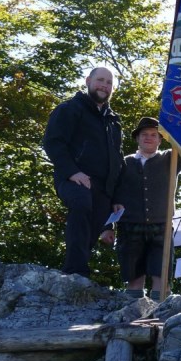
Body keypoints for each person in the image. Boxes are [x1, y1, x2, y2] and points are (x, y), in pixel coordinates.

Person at [43, 67, 124, 277]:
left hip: (103, 186)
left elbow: (117, 160)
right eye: (100, 80)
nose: (104, 85)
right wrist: (72, 172)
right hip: (74, 178)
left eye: (108, 82)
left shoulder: (113, 122)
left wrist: (115, 197)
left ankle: (79, 273)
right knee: (81, 204)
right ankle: (74, 272)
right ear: (88, 81)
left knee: (95, 225)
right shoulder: (70, 108)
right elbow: (53, 142)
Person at [110, 117, 181, 300]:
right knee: (133, 276)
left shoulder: (171, 159)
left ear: (160, 140)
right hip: (130, 225)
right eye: (144, 134)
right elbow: (112, 190)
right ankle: (133, 316)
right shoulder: (124, 163)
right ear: (137, 138)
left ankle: (159, 316)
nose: (149, 138)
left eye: (154, 135)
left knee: (161, 276)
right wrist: (109, 223)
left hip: (161, 225)